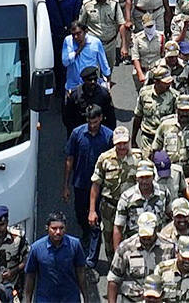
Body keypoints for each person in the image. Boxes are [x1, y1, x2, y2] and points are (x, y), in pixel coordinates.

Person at [63, 104, 113, 271]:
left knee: (95, 221)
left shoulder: (108, 136)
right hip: (80, 183)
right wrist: (66, 185)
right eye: (90, 122)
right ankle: (85, 233)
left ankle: (91, 258)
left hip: (100, 186)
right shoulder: (77, 134)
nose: (92, 125)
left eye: (95, 121)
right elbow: (70, 159)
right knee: (81, 214)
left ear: (101, 119)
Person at [91, 126, 147, 264]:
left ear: (129, 141)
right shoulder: (105, 159)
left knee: (133, 239)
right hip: (110, 207)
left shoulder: (139, 157)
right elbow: (96, 184)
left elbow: (149, 179)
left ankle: (132, 268)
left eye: (124, 143)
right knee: (110, 240)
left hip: (132, 208)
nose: (122, 146)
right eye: (118, 144)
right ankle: (114, 266)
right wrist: (92, 210)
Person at [107, 211, 170, 303]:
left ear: (156, 229)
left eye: (149, 235)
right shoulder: (125, 248)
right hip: (133, 299)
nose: (146, 238)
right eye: (143, 235)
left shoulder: (169, 247)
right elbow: (113, 280)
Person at [24, 212, 86, 303]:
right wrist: (27, 300)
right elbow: (30, 276)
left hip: (70, 298)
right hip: (45, 298)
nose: (58, 232)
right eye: (54, 228)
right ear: (47, 228)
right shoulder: (36, 248)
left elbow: (80, 271)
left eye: (61, 228)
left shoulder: (75, 245)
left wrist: (86, 298)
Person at [112, 161, 173, 250]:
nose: (144, 181)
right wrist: (117, 254)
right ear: (137, 178)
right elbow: (118, 227)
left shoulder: (163, 193)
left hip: (159, 246)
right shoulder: (127, 198)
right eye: (141, 177)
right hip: (135, 247)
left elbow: (171, 216)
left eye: (147, 177)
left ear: (153, 176)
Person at [62, 65, 116, 135]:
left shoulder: (103, 94)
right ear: (84, 80)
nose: (93, 82)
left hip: (99, 132)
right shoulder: (75, 95)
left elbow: (110, 117)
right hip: (80, 131)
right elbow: (67, 117)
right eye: (90, 80)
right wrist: (75, 132)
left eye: (95, 79)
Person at [62, 22, 111, 92]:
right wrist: (79, 49)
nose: (76, 37)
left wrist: (108, 79)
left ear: (85, 31)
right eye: (73, 35)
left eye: (78, 33)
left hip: (90, 85)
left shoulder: (95, 42)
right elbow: (65, 62)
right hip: (73, 86)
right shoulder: (68, 41)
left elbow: (103, 63)